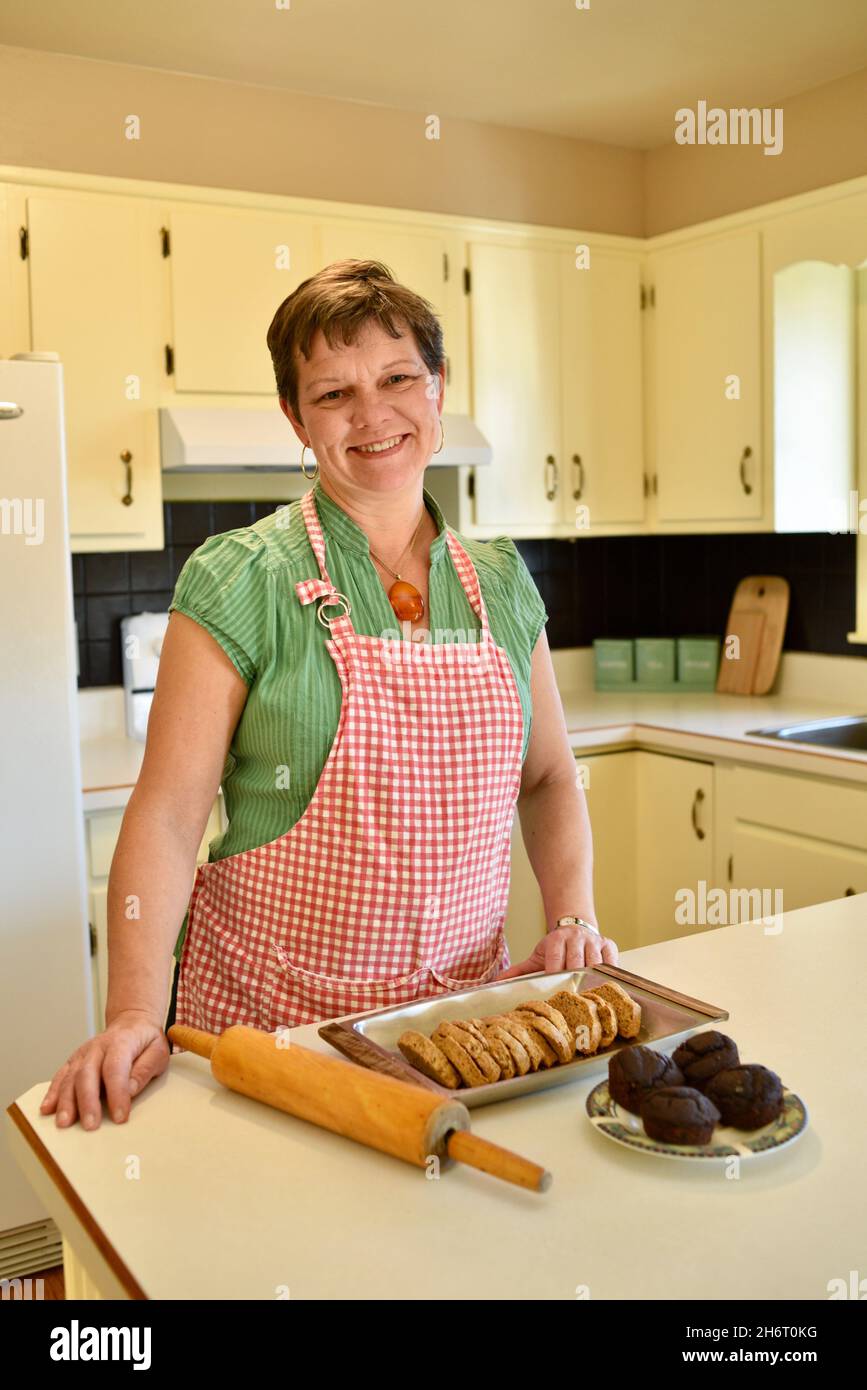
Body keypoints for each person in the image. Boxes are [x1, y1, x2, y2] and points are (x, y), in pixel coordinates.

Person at [40, 259, 617, 1131]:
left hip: (458, 1029)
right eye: (333, 394)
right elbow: (166, 814)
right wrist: (130, 1010)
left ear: (438, 390)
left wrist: (572, 912)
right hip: (279, 1032)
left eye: (397, 379)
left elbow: (546, 779)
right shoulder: (242, 577)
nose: (373, 415)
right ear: (295, 418)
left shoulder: (500, 582)